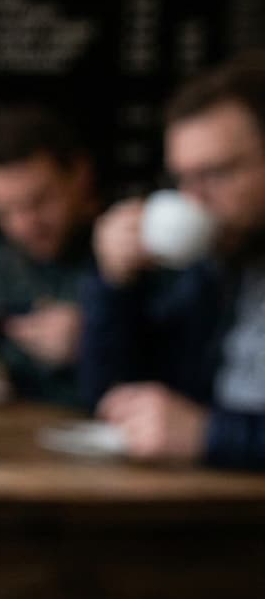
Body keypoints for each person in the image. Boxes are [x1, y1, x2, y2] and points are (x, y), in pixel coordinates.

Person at [82, 56, 265, 468]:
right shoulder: (221, 268)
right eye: (183, 179)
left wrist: (212, 434)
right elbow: (113, 399)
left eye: (216, 173)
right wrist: (114, 285)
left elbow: (200, 431)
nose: (193, 200)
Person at [0, 107, 98, 410]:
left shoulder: (131, 254)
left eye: (40, 201)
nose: (24, 224)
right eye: (5, 211)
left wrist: (95, 340)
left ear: (79, 175)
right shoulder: (0, 258)